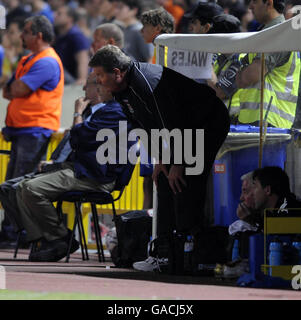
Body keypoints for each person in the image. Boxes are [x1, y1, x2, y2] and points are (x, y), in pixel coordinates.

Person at [89, 45, 230, 272]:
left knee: (185, 182)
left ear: (117, 72)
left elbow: (175, 125)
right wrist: (161, 161)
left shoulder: (148, 84)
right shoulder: (121, 89)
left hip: (206, 122)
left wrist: (178, 163)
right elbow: (144, 126)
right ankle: (165, 253)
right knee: (164, 180)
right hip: (182, 129)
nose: (98, 82)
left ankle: (189, 253)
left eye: (100, 75)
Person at [13, 73, 134, 262]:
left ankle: (60, 237)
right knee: (19, 188)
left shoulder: (115, 111)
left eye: (96, 84)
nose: (87, 89)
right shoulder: (100, 110)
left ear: (105, 88)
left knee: (30, 189)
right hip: (81, 169)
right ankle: (48, 239)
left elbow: (78, 139)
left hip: (95, 177)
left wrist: (77, 113)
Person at [235, 0, 301, 129]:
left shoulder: (278, 34)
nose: (250, 6)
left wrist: (241, 75)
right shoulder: (272, 33)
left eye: (255, 1)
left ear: (269, 3)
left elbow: (252, 75)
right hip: (262, 123)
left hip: (267, 124)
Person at [53, 5, 90, 85]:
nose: (54, 16)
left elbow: (82, 58)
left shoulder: (76, 35)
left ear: (70, 18)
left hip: (73, 81)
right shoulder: (58, 35)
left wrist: (82, 79)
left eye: (59, 14)